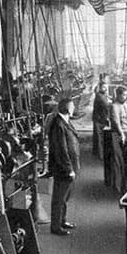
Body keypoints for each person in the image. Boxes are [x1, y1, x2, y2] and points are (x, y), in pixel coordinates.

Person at [46, 97, 81, 235]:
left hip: (70, 165)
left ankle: (62, 220)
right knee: (59, 198)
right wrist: (69, 169)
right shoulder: (58, 124)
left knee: (65, 197)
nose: (73, 109)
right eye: (72, 107)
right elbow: (61, 150)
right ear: (67, 108)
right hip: (63, 168)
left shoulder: (65, 122)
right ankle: (56, 227)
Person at [91, 80, 110, 158]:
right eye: (103, 87)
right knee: (99, 137)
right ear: (100, 88)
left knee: (98, 136)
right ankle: (101, 155)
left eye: (106, 87)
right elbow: (105, 105)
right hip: (99, 118)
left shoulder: (103, 95)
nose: (105, 88)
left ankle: (97, 153)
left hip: (101, 117)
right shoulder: (99, 96)